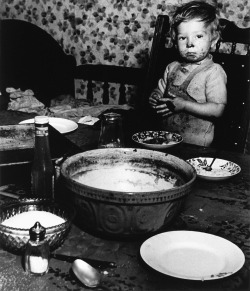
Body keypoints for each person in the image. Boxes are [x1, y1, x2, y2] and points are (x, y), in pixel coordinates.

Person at [149, 1, 227, 147]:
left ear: (213, 39)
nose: (190, 43)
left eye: (198, 36)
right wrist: (155, 96)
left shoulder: (213, 72)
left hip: (196, 145)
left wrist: (184, 105)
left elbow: (217, 109)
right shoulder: (172, 67)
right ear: (175, 40)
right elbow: (160, 90)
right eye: (182, 38)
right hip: (166, 139)